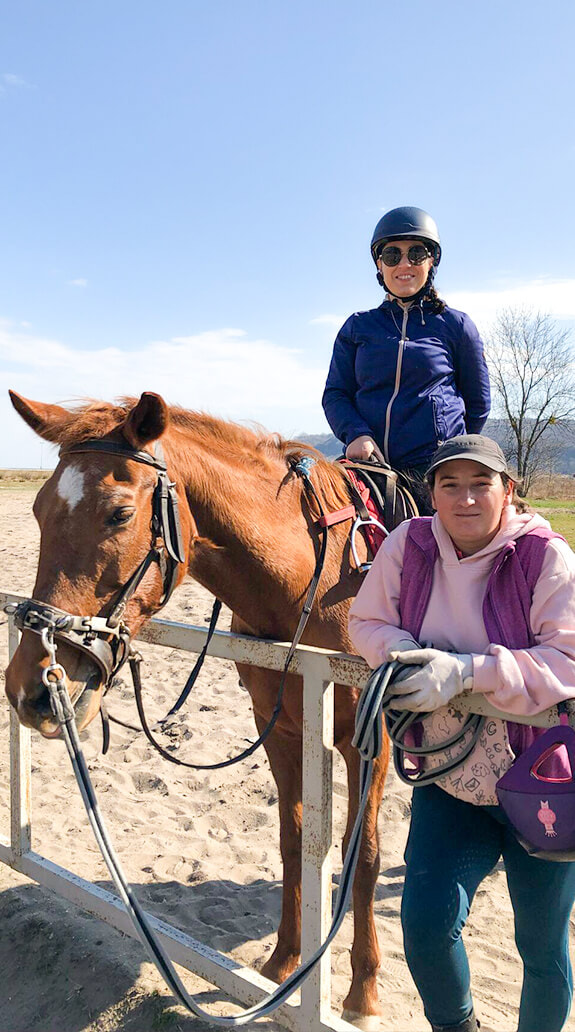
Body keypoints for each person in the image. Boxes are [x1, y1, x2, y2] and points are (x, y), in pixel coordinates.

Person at [348, 434, 575, 1032]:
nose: (466, 498)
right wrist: (401, 655)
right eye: (450, 484)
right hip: (449, 777)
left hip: (541, 781)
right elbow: (366, 620)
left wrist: (467, 674)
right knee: (424, 925)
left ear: (509, 490)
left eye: (482, 483)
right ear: (432, 492)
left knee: (542, 946)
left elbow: (569, 659)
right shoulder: (407, 545)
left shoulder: (546, 557)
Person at [322, 206, 491, 513]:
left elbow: (478, 403)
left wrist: (449, 452)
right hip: (367, 465)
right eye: (392, 255)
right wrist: (356, 434)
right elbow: (335, 394)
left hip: (432, 472)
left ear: (431, 261)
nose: (404, 264)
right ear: (379, 264)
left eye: (416, 253)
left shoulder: (456, 325)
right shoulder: (358, 326)